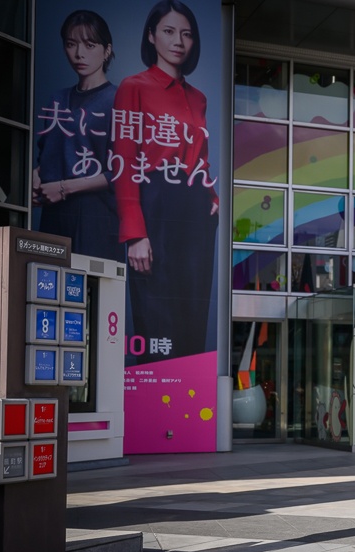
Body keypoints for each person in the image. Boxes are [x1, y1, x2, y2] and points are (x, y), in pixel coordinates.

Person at [114, 0, 218, 364]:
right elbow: (123, 163)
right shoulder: (133, 86)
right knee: (156, 315)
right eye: (169, 31)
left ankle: (188, 411)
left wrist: (212, 196)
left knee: (193, 313)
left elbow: (200, 157)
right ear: (151, 35)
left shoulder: (199, 98)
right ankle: (156, 409)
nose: (179, 41)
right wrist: (135, 233)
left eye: (187, 34)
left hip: (195, 210)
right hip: (154, 202)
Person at [33, 10, 124, 262]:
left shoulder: (119, 100)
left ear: (107, 50)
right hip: (56, 216)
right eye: (71, 44)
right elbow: (50, 155)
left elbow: (121, 172)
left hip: (97, 217)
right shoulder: (57, 99)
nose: (79, 53)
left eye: (89, 44)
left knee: (93, 295)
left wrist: (63, 188)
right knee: (47, 289)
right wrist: (34, 176)